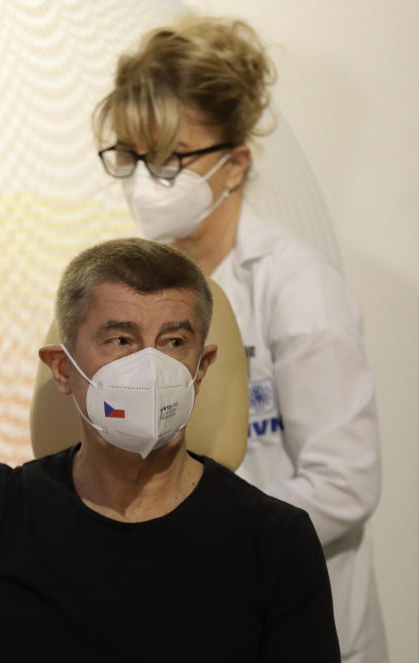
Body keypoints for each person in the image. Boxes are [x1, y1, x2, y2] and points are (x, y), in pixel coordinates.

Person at [91, 16, 385, 662]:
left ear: (234, 163)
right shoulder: (137, 292)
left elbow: (344, 484)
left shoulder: (296, 288)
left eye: (171, 159)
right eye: (132, 157)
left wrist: (190, 528)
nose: (146, 180)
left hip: (300, 618)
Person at [0, 238, 340, 662]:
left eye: (173, 342)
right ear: (62, 368)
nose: (149, 369)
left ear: (201, 368)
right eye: (121, 341)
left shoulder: (275, 543)